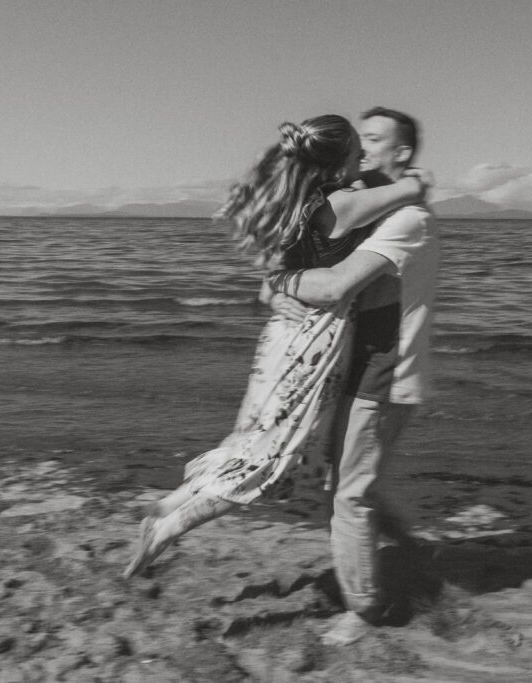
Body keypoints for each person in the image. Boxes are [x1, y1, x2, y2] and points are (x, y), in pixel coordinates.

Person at [123, 114, 431, 578]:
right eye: (357, 150)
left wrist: (274, 285)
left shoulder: (298, 202)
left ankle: (167, 504)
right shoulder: (341, 205)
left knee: (250, 440)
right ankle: (168, 527)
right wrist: (416, 181)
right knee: (273, 458)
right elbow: (408, 194)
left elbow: (277, 271)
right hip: (312, 341)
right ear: (337, 164)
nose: (363, 157)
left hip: (279, 339)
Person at [266, 107, 439, 645]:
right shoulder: (372, 209)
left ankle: (365, 609)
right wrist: (275, 284)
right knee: (345, 483)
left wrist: (282, 284)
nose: (361, 150)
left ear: (402, 153)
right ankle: (414, 548)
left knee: (349, 494)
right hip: (357, 368)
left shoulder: (408, 220)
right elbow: (294, 260)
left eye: (373, 139)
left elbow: (337, 285)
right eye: (358, 140)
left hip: (385, 375)